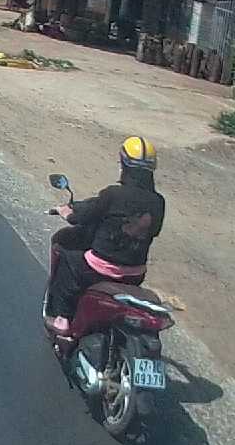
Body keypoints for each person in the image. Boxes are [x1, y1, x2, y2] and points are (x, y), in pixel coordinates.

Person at [45, 136, 165, 335]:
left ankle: (62, 318)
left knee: (67, 257)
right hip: (135, 274)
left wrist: (67, 212)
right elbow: (154, 230)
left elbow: (83, 216)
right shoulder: (158, 202)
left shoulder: (113, 194)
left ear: (124, 164)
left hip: (98, 269)